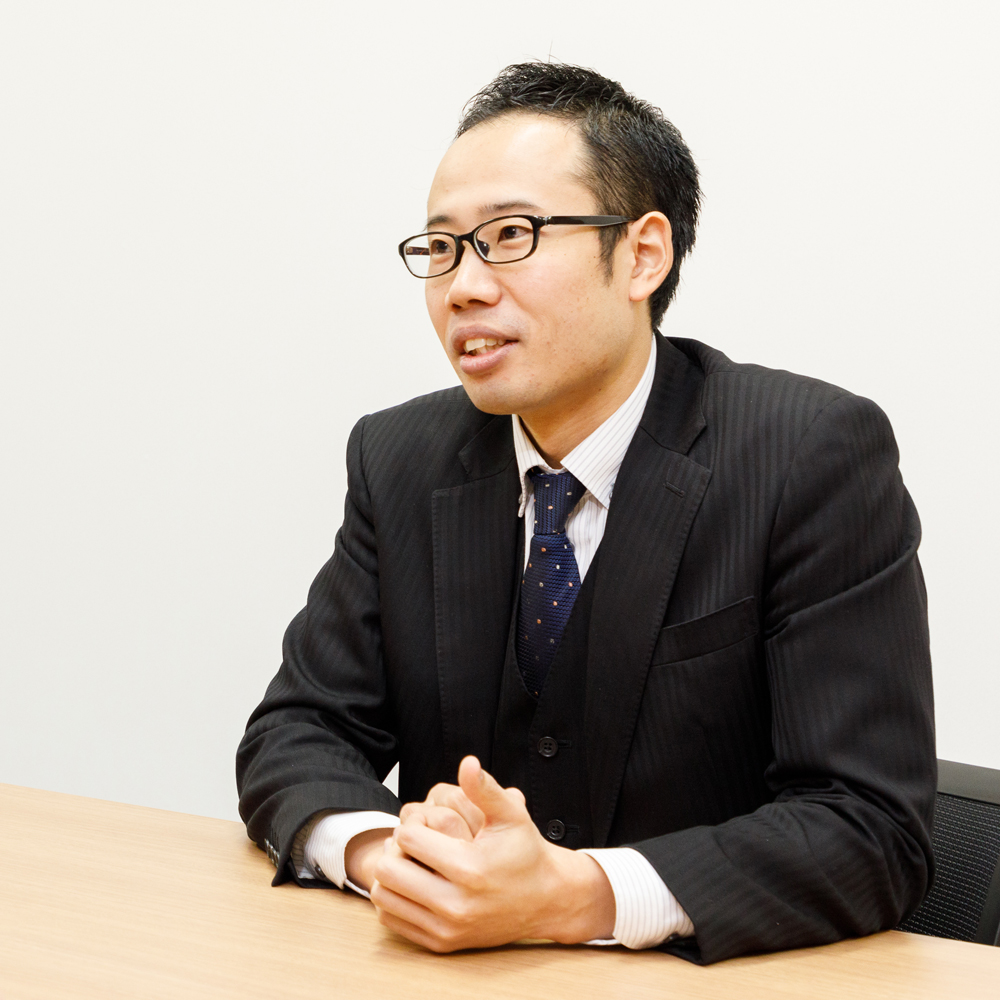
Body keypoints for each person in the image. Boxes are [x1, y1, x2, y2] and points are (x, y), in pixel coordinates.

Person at [236, 62, 935, 965]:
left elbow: (871, 827)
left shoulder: (808, 454)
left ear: (642, 255)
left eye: (510, 235)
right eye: (441, 247)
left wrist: (576, 895)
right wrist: (390, 859)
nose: (463, 286)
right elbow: (297, 731)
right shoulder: (399, 456)